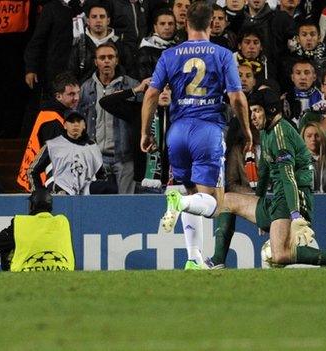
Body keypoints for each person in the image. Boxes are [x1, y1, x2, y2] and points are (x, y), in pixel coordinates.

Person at [210, 87, 326, 268]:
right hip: (279, 197)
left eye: (257, 111)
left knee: (281, 255)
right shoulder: (267, 131)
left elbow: (288, 177)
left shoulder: (281, 136)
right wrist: (259, 205)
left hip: (294, 199)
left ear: (271, 110)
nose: (252, 117)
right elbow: (266, 170)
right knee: (227, 200)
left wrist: (296, 215)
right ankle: (217, 261)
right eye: (251, 111)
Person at [140, 2, 252, 269]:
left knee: (190, 190)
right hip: (208, 130)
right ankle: (180, 202)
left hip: (177, 132)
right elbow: (236, 97)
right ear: (212, 22)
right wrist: (247, 130)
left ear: (185, 23)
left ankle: (194, 259)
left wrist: (145, 132)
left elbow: (152, 94)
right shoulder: (223, 54)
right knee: (214, 204)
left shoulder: (170, 55)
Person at [79, 43, 139, 194]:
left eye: (110, 57)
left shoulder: (131, 85)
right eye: (102, 57)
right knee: (96, 205)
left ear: (116, 60)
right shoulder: (86, 88)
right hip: (96, 157)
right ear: (95, 62)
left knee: (126, 204)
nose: (106, 61)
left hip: (124, 156)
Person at [17, 72, 80, 192]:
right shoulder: (52, 121)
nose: (76, 98)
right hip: (40, 183)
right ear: (58, 96)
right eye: (71, 94)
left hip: (33, 179)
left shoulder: (50, 114)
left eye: (78, 93)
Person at [27, 110, 115, 195]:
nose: (75, 124)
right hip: (58, 191)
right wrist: (39, 193)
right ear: (65, 125)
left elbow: (101, 175)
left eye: (79, 121)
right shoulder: (52, 145)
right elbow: (32, 171)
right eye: (71, 121)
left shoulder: (92, 146)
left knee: (110, 188)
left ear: (84, 125)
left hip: (86, 191)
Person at [0, 188, 75, 272]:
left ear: (32, 206)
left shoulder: (22, 223)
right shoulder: (62, 222)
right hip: (62, 270)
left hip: (25, 272)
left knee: (8, 247)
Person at [137, 8, 176, 80]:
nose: (167, 27)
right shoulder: (145, 50)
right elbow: (146, 79)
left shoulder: (179, 47)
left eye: (170, 24)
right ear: (155, 27)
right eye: (162, 24)